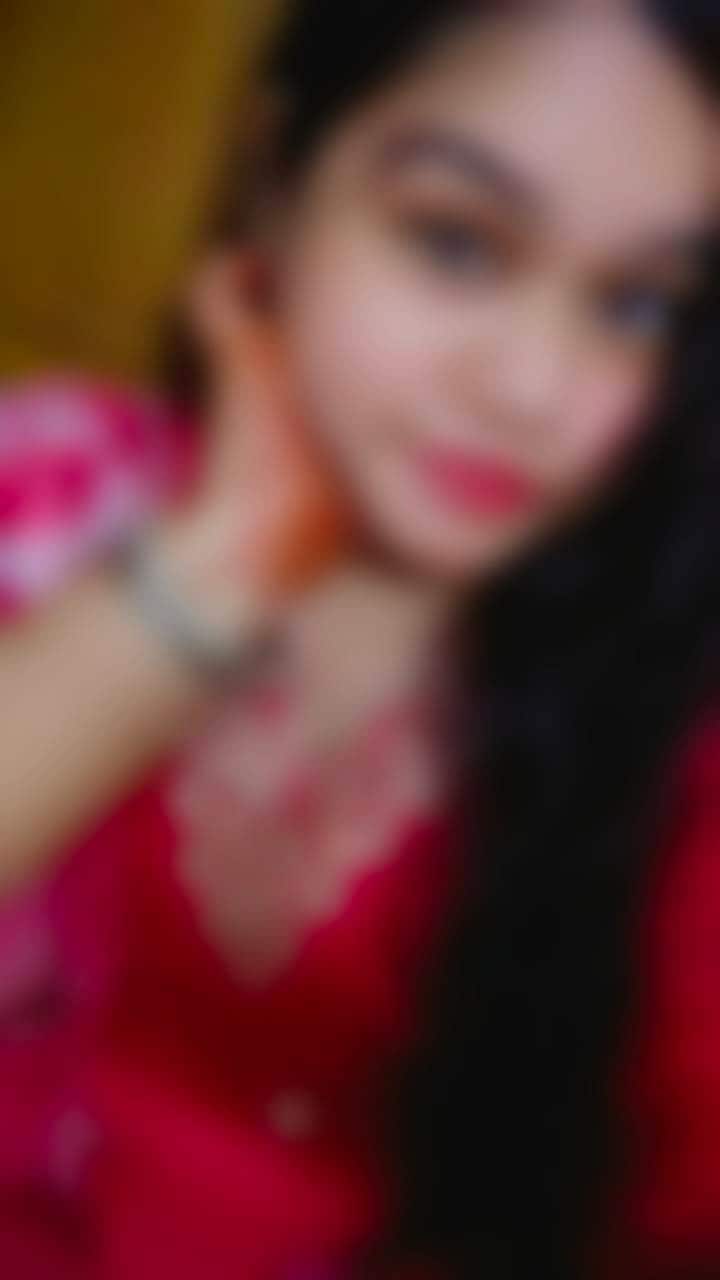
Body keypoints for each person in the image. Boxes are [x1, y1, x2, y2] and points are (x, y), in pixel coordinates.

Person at [0, 2, 718, 1277]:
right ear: (278, 178)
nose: (530, 387)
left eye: (634, 309)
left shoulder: (667, 731)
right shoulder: (48, 494)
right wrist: (223, 562)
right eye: (454, 240)